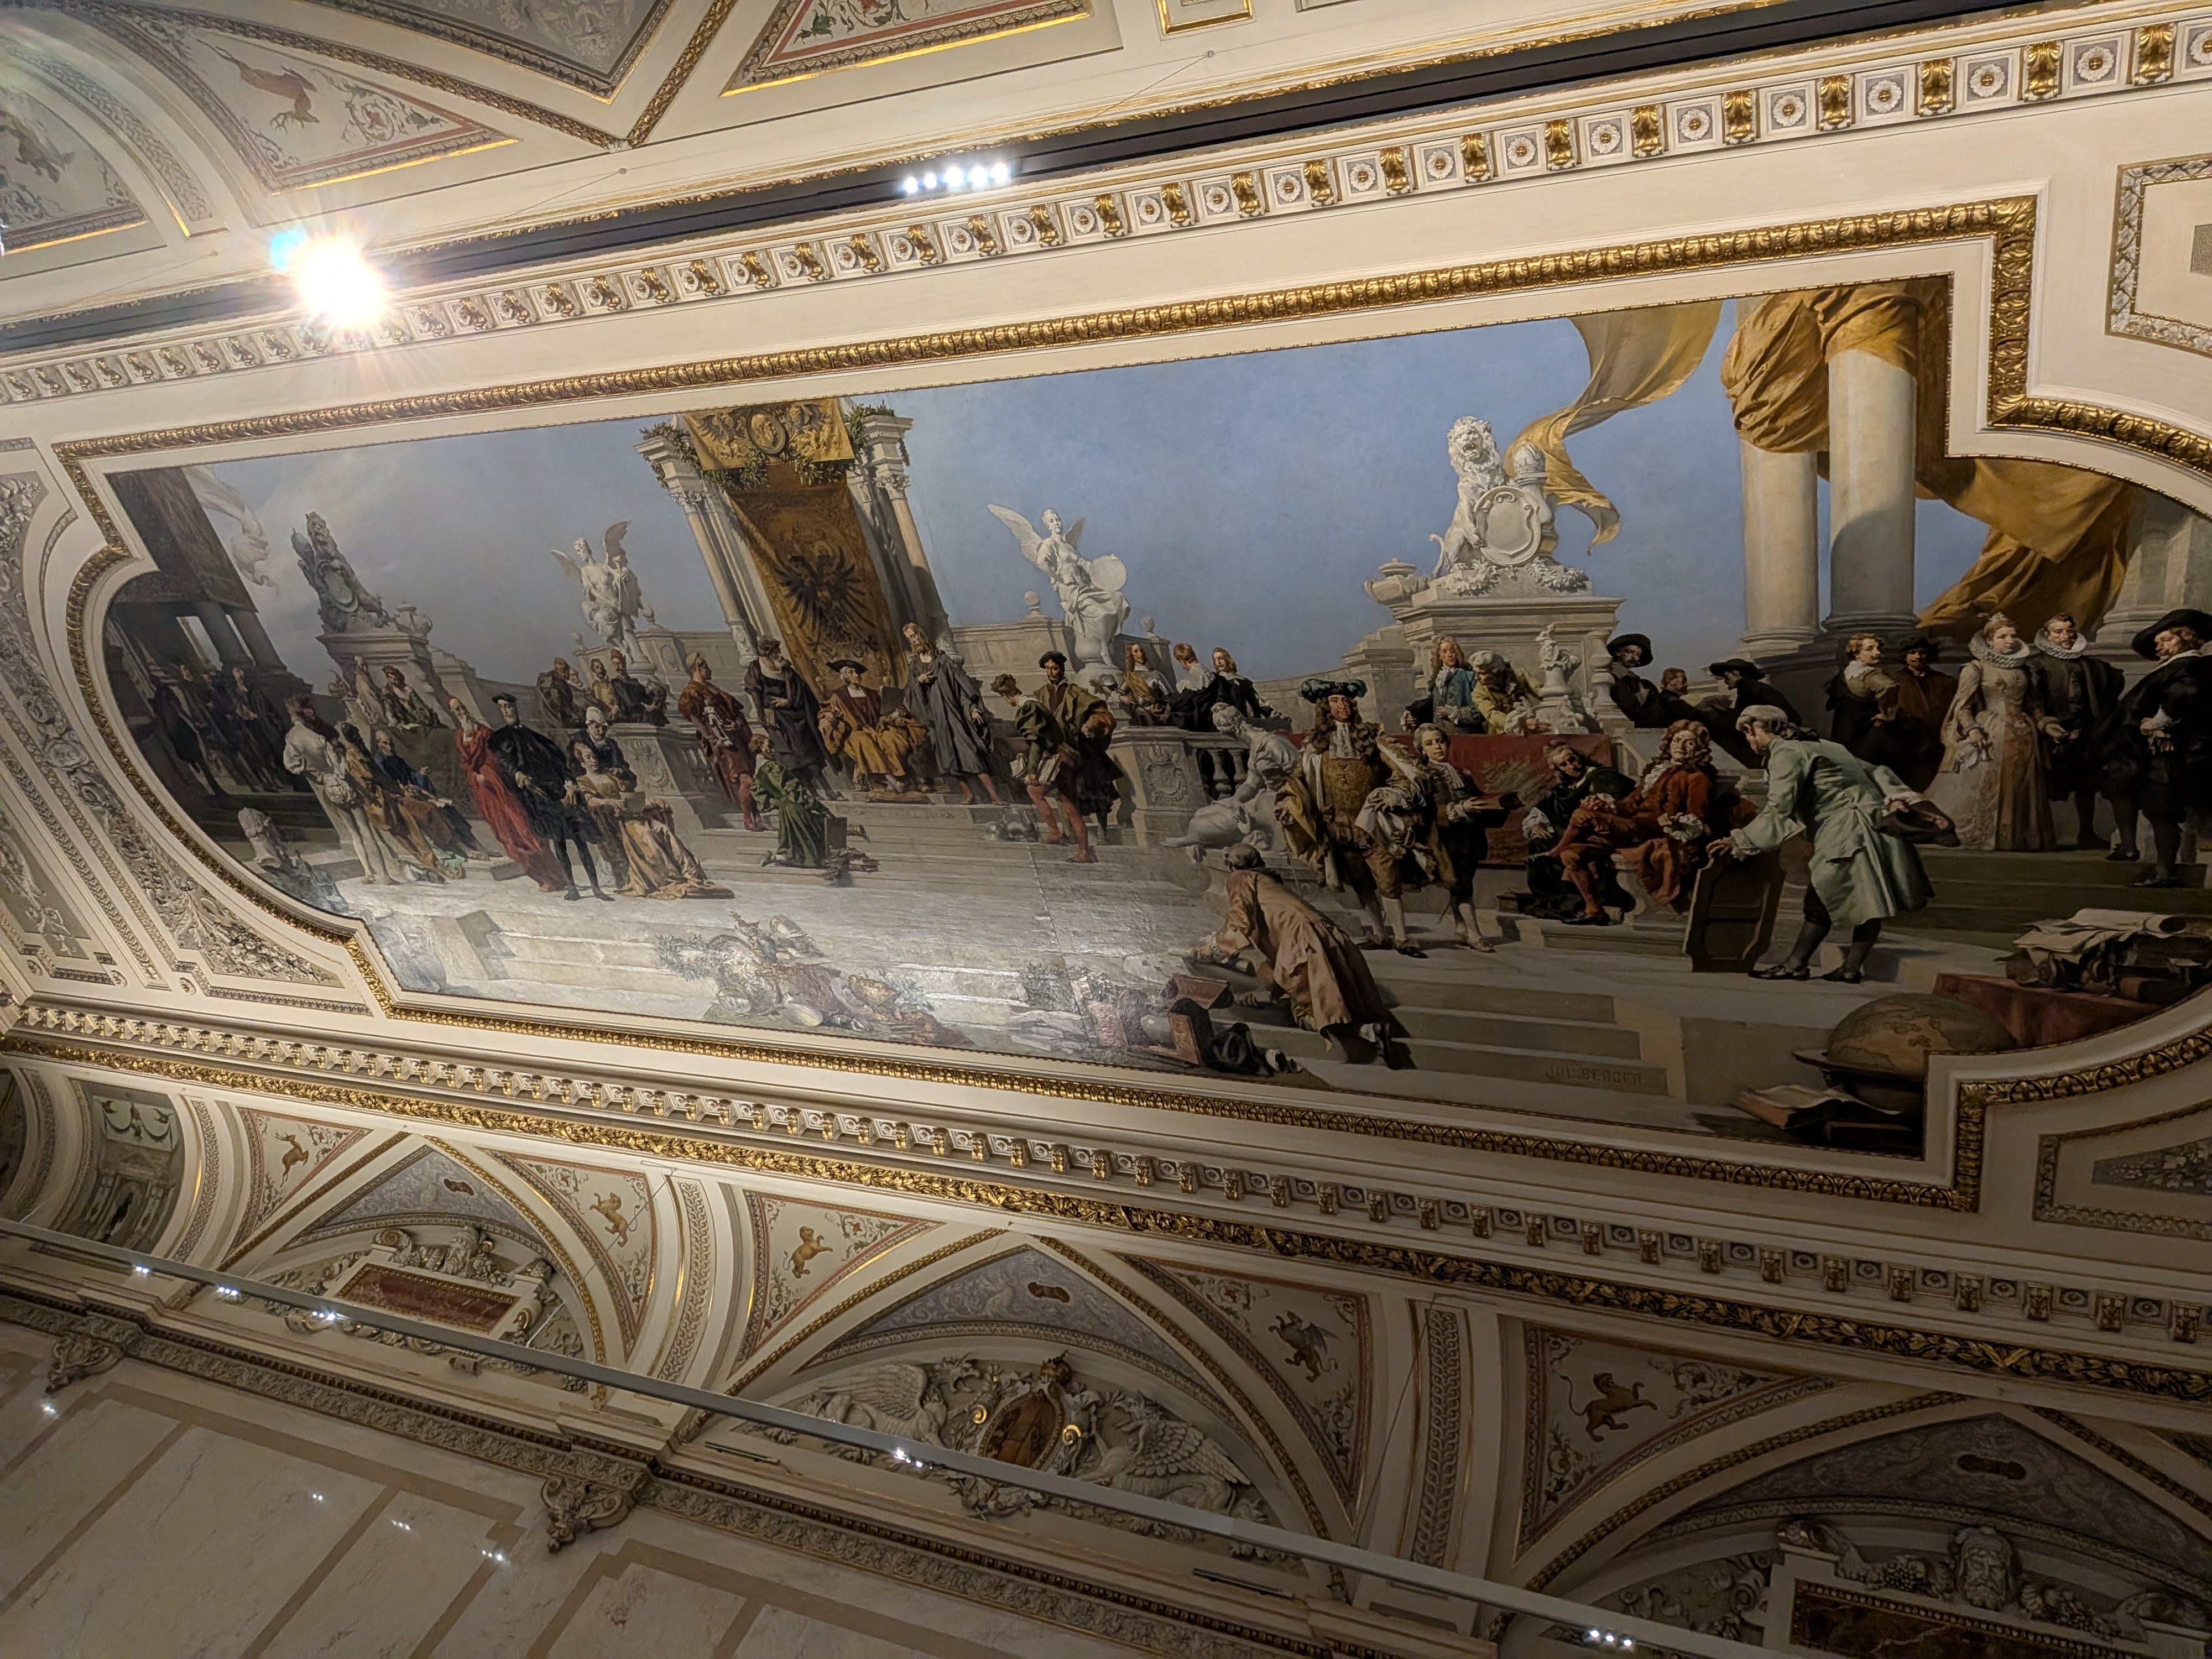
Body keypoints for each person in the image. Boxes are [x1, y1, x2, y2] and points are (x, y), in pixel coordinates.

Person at [1710, 705, 1930, 983]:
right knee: (1871, 896)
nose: (1749, 741)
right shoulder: (1824, 745)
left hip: (1847, 831)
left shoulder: (1786, 753)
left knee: (1822, 895)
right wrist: (1896, 797)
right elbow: (1877, 771)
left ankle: (1796, 965)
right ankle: (1849, 967)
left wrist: (1740, 840)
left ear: (1750, 729)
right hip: (1874, 825)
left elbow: (1780, 808)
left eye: (1747, 735)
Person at [1195, 843, 1399, 1065]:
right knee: (1336, 1002)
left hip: (1304, 943)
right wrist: (1266, 991)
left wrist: (1210, 948)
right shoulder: (1269, 882)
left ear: (1231, 865)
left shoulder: (1240, 877)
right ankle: (1369, 1029)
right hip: (1330, 937)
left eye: (1228, 861)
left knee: (1307, 1013)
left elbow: (1239, 922)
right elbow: (1275, 958)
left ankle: (1368, 1032)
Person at [1274, 678, 1426, 952]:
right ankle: (1380, 935)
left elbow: (1404, 771)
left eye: (1345, 700)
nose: (1342, 705)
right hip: (1338, 827)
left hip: (1373, 823)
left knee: (1387, 879)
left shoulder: (1371, 736)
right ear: (1324, 707)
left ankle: (1402, 938)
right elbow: (1298, 782)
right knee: (1360, 881)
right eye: (1335, 701)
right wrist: (1286, 803)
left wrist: (1395, 795)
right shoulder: (1315, 746)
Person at [1550, 720, 1729, 924]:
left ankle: (1554, 852)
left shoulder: (1697, 778)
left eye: (1689, 743)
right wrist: (1605, 805)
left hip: (1649, 830)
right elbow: (1630, 805)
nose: (1680, 745)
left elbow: (1697, 817)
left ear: (1698, 750)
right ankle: (1594, 910)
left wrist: (1677, 822)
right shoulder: (1658, 771)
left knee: (1583, 815)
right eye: (1677, 740)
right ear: (1669, 743)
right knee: (1571, 855)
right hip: (1631, 825)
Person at [1926, 614, 2064, 852]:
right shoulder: (1976, 668)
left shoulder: (2025, 669)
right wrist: (1972, 729)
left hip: (2024, 733)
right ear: (1989, 641)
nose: (2010, 640)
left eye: (2013, 635)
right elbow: (1963, 706)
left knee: (2022, 785)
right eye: (2002, 637)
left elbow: (2033, 707)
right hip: (1991, 733)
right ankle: (1989, 836)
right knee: (1992, 785)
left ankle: (2020, 839)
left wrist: (2047, 725)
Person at [2106, 607, 2212, 887]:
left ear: (2187, 638)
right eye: (2158, 643)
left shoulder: (2189, 666)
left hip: (2176, 756)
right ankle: (2164, 871)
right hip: (2166, 754)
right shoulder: (2177, 666)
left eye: (2166, 640)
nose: (2160, 647)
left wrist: (2157, 722)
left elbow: (2186, 695)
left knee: (2164, 809)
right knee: (2158, 810)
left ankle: (2167, 873)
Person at [566, 739, 729, 900]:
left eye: (594, 756)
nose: (593, 760)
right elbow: (591, 801)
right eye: (588, 757)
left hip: (630, 814)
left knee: (661, 828)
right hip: (614, 820)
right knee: (646, 834)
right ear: (581, 762)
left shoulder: (609, 775)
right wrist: (611, 802)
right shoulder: (584, 781)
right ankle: (667, 878)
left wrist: (651, 801)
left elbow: (630, 795)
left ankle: (689, 874)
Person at [486, 693, 610, 900]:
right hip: (540, 797)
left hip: (562, 793)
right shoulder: (499, 740)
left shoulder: (539, 739)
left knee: (581, 843)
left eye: (510, 707)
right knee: (559, 842)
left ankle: (597, 889)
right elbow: (504, 762)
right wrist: (518, 774)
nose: (507, 711)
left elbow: (562, 766)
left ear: (516, 708)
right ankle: (572, 888)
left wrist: (570, 786)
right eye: (503, 708)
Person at [1407, 722, 1513, 948]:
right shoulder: (1422, 777)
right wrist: (1460, 809)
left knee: (1463, 884)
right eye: (1430, 744)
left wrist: (1497, 804)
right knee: (1461, 886)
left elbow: (1478, 799)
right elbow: (1425, 813)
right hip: (1444, 841)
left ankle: (1461, 928)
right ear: (1422, 750)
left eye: (1440, 741)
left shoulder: (1462, 775)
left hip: (1468, 839)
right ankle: (1475, 934)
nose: (1437, 747)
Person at [447, 697, 568, 891]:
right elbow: (465, 764)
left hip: (500, 790)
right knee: (505, 836)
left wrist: (485, 775)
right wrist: (475, 777)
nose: (461, 711)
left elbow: (496, 760)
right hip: (484, 795)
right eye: (456, 710)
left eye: (462, 707)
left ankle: (555, 877)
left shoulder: (485, 733)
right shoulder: (460, 737)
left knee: (523, 832)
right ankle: (540, 877)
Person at [283, 695, 400, 885]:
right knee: (366, 831)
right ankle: (385, 876)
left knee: (354, 833)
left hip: (330, 789)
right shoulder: (318, 737)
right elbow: (340, 768)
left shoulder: (292, 737)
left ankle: (368, 873)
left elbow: (292, 765)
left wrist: (317, 775)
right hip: (343, 784)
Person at [2030, 613, 2124, 850]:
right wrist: (2048, 726)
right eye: (2058, 632)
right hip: (2049, 732)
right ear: (2047, 635)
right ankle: (2044, 835)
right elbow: (2032, 702)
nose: (2065, 637)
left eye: (2069, 631)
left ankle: (2087, 832)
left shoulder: (2089, 665)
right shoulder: (2036, 665)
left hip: (2084, 732)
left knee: (2087, 785)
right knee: (2046, 783)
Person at [1519, 740, 1637, 921]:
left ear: (1580, 757)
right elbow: (1546, 808)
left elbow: (1616, 809)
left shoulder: (1601, 778)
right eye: (1564, 765)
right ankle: (1559, 902)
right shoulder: (1566, 788)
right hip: (1576, 833)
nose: (1571, 766)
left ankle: (1578, 902)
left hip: (1601, 834)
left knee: (1558, 850)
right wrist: (1536, 825)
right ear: (1559, 769)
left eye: (1572, 759)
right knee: (1539, 843)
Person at [995, 670, 1093, 861]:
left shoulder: (1027, 708)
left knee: (1034, 791)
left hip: (1057, 762)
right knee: (1071, 807)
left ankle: (1056, 833)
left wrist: (1032, 771)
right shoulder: (1037, 705)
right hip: (1065, 759)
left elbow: (1036, 742)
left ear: (1006, 696)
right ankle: (1083, 852)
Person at [902, 622, 1004, 804]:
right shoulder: (915, 666)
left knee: (970, 753)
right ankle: (968, 794)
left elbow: (961, 687)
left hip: (953, 715)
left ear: (921, 635)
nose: (913, 640)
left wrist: (972, 708)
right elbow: (910, 694)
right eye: (910, 638)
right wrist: (919, 681)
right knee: (949, 756)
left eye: (914, 636)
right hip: (936, 719)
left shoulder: (942, 660)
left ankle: (994, 796)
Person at [1033, 651, 1120, 835]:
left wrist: (1089, 725)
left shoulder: (1075, 692)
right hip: (1057, 749)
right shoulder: (1040, 694)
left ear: (1062, 670)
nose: (1051, 672)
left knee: (1094, 790)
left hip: (1081, 748)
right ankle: (1067, 833)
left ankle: (1103, 833)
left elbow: (1103, 715)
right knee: (1061, 792)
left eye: (1055, 668)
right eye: (1048, 669)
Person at [676, 654, 764, 831]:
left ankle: (757, 818)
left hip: (736, 738)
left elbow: (736, 713)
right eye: (706, 666)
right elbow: (699, 724)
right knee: (745, 780)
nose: (709, 670)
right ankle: (748, 820)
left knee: (748, 779)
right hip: (723, 743)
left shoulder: (714, 689)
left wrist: (737, 724)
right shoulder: (691, 693)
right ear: (698, 668)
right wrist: (716, 741)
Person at [819, 658, 927, 794]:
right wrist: (829, 716)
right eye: (852, 673)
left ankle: (899, 778)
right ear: (845, 676)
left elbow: (883, 714)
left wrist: (895, 716)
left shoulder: (872, 694)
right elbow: (827, 712)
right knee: (865, 741)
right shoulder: (838, 696)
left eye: (857, 672)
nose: (856, 675)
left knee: (893, 738)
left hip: (876, 730)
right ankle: (891, 780)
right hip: (854, 733)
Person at [371, 729, 484, 857]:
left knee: (448, 808)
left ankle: (475, 843)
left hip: (413, 793)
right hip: (401, 799)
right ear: (378, 744)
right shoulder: (380, 762)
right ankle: (463, 848)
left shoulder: (396, 759)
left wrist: (420, 774)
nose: (390, 747)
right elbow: (389, 785)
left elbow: (411, 775)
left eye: (391, 743)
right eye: (386, 743)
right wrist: (407, 790)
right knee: (431, 809)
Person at [747, 638, 833, 796]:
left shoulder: (785, 667)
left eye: (778, 651)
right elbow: (756, 694)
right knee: (790, 757)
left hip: (795, 715)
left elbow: (801, 689)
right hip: (776, 719)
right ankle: (811, 792)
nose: (779, 655)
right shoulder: (756, 668)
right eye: (775, 652)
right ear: (767, 654)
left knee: (808, 753)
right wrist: (762, 716)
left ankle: (827, 789)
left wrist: (789, 701)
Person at [750, 732, 831, 868]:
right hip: (795, 809)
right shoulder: (771, 767)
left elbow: (760, 796)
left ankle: (782, 858)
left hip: (786, 810)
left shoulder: (758, 770)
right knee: (815, 832)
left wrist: (781, 803)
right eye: (769, 745)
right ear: (761, 747)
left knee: (795, 843)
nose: (773, 749)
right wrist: (820, 807)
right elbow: (793, 791)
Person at [1888, 637, 1958, 793]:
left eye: (1922, 652)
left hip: (1940, 741)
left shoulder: (1947, 682)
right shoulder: (1893, 682)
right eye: (1912, 652)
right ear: (1905, 656)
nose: (1918, 657)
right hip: (1908, 744)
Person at [1702, 658, 1801, 765]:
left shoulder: (1752, 690)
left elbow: (1746, 716)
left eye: (1726, 677)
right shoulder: (1749, 689)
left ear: (1736, 674)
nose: (1725, 681)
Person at [149, 675, 228, 800]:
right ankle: (215, 790)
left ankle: (213, 789)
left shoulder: (159, 696)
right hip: (179, 729)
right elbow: (179, 710)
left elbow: (164, 714)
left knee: (194, 760)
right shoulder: (165, 693)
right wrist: (193, 723)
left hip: (173, 731)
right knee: (199, 759)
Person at [1408, 636, 1482, 731]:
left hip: (1465, 734)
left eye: (1452, 651)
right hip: (1442, 735)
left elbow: (1481, 711)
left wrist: (1455, 713)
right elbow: (1432, 711)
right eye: (1445, 652)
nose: (1450, 655)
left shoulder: (1469, 677)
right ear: (1439, 656)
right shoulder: (1437, 680)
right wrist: (1414, 718)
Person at [1604, 634, 1668, 728]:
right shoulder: (1610, 675)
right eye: (1631, 652)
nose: (1634, 658)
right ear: (1618, 652)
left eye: (1638, 655)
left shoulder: (1637, 680)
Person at [1470, 650, 1542, 734]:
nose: (1477, 678)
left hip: (1532, 726)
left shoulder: (1519, 675)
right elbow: (1492, 714)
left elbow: (1542, 693)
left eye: (1481, 673)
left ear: (1495, 672)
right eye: (1477, 673)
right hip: (1502, 734)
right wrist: (1521, 723)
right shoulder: (1479, 692)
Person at [1109, 640, 1174, 727]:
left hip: (1158, 713)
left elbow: (1170, 696)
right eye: (1136, 651)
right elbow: (1117, 693)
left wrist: (1166, 714)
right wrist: (1122, 698)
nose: (1140, 654)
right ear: (1131, 655)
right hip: (1140, 714)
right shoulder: (1130, 676)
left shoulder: (1156, 674)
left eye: (1141, 651)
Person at [577, 706, 637, 789]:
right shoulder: (580, 740)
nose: (601, 732)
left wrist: (619, 770)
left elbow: (621, 762)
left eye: (604, 728)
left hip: (610, 777)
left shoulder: (610, 743)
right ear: (589, 725)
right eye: (597, 727)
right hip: (592, 779)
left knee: (631, 780)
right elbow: (576, 767)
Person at [376, 665, 444, 734]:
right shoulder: (389, 693)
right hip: (402, 722)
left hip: (416, 719)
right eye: (390, 678)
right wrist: (392, 719)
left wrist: (408, 707)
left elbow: (423, 713)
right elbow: (388, 708)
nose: (393, 680)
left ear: (399, 678)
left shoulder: (409, 691)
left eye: (395, 678)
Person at [536, 658, 587, 731]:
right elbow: (557, 698)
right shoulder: (552, 679)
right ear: (555, 666)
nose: (563, 667)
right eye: (560, 664)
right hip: (559, 716)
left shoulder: (561, 681)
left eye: (565, 665)